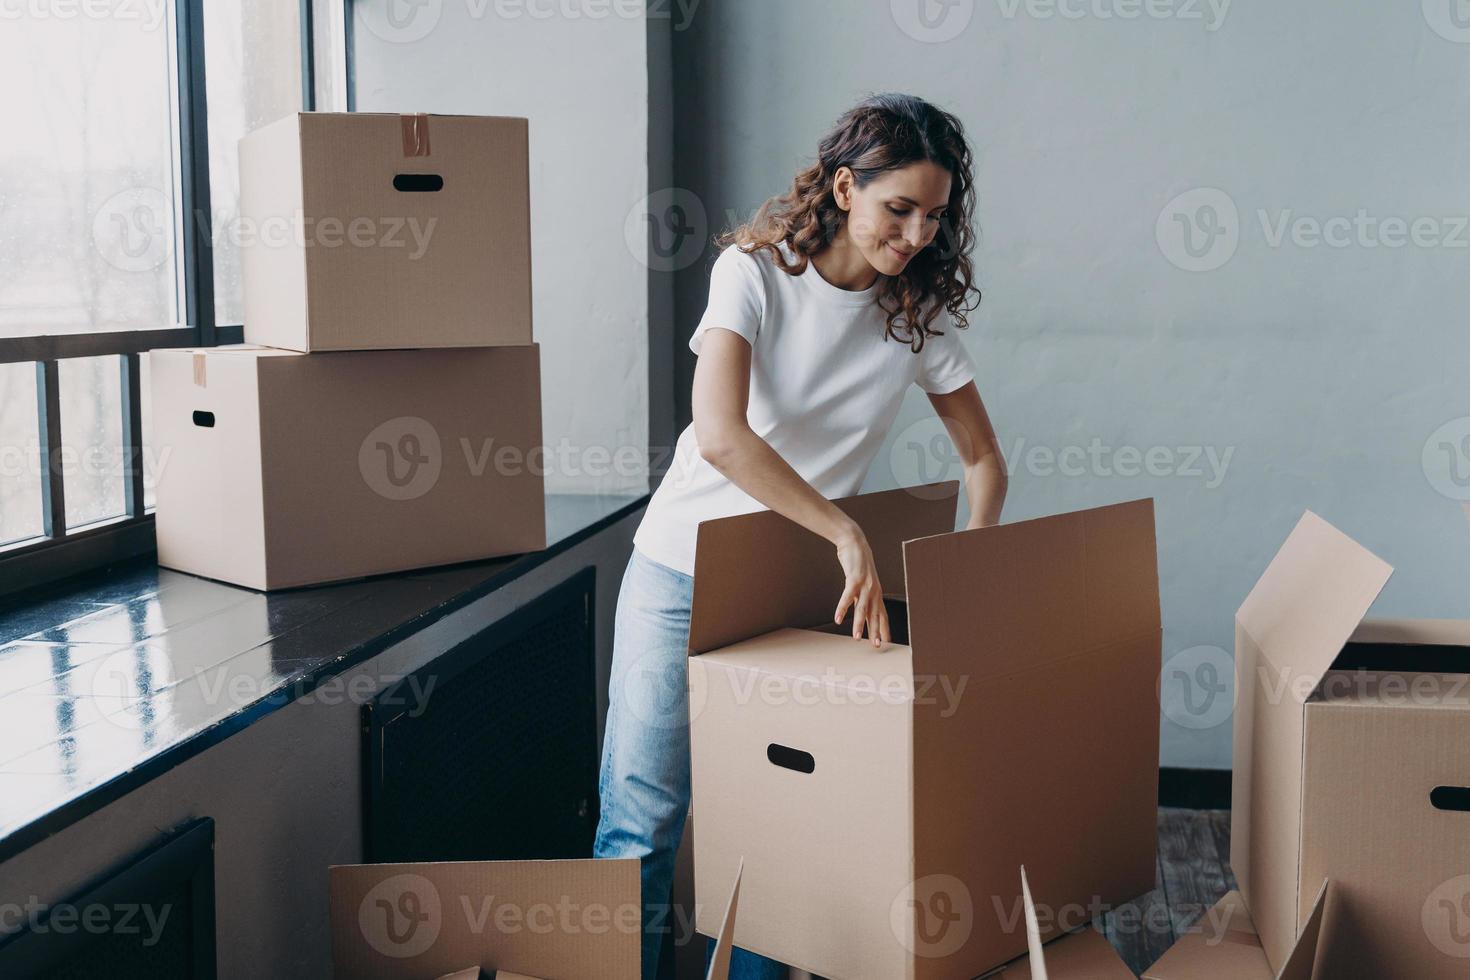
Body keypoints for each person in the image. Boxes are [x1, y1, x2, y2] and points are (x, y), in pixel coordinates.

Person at [593, 92, 1008, 980]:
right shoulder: (754, 272)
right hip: (680, 572)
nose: (917, 234)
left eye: (935, 217)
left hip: (789, 593)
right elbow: (721, 435)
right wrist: (844, 530)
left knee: (780, 828)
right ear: (846, 185)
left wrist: (967, 574)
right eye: (899, 209)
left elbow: (984, 462)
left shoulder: (916, 313)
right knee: (642, 819)